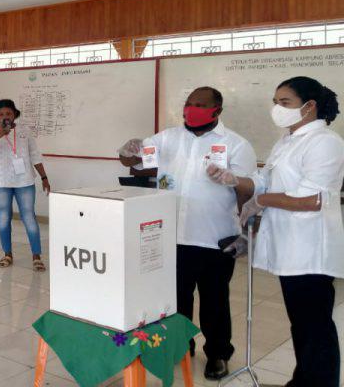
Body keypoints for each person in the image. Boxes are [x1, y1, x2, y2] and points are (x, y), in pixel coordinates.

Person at [207, 77, 344, 387]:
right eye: (276, 101)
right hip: (289, 248)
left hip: (310, 250)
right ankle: (303, 380)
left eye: (285, 103)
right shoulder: (287, 140)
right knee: (302, 325)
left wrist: (262, 200)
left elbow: (315, 199)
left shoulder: (325, 141)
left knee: (315, 327)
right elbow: (263, 181)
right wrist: (233, 180)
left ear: (309, 106)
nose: (277, 108)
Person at [118, 86, 257, 381]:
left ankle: (218, 353)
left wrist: (244, 231)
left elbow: (246, 188)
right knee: (175, 298)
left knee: (214, 301)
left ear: (217, 111)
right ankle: (180, 345)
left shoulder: (236, 144)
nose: (191, 109)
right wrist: (127, 151)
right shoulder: (167, 138)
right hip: (171, 235)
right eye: (188, 103)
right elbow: (135, 164)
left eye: (199, 104)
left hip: (215, 237)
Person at [0, 99, 50, 272]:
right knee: (4, 217)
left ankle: (36, 256)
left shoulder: (25, 131)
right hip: (0, 181)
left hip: (24, 180)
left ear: (15, 114)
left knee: (28, 217)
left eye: (9, 113)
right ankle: (7, 254)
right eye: (1, 114)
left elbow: (35, 155)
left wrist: (44, 177)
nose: (5, 117)